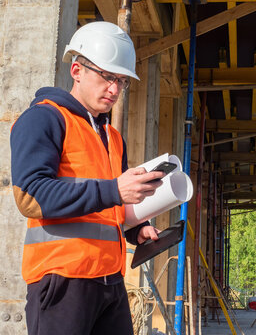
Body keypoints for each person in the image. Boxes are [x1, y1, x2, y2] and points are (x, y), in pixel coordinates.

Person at [10, 21, 165, 335]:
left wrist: (135, 230)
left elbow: (103, 204)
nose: (115, 89)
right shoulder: (44, 118)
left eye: (121, 81)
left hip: (109, 281)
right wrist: (114, 190)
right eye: (107, 77)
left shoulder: (112, 136)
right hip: (62, 281)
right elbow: (31, 195)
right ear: (77, 70)